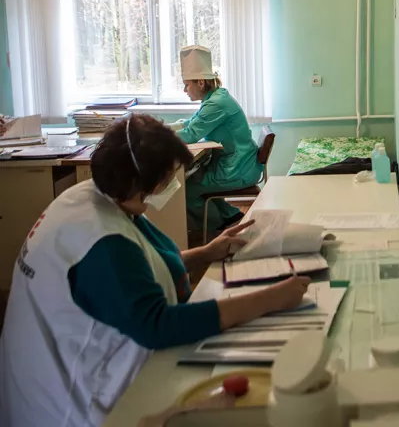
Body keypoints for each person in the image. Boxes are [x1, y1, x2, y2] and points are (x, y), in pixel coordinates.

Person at [0, 114, 309, 426]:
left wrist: (206, 253)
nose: (171, 182)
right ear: (142, 180)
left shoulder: (94, 198)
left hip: (60, 367)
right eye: (167, 175)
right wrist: (270, 299)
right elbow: (157, 325)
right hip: (70, 403)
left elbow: (142, 265)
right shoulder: (99, 239)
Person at [174, 45, 263, 232]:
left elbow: (191, 134)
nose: (184, 90)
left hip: (239, 169)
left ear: (200, 82)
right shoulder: (216, 97)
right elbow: (192, 123)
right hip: (241, 163)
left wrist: (159, 137)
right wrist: (164, 128)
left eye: (187, 84)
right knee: (196, 177)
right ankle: (230, 216)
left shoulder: (216, 103)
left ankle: (215, 230)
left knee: (188, 190)